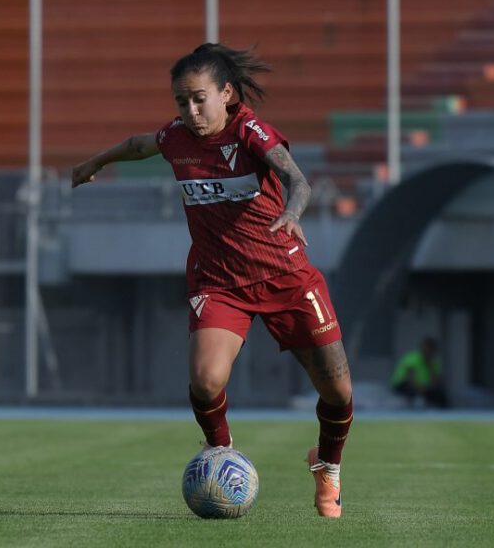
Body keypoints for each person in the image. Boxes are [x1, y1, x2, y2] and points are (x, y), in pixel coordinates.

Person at [71, 43, 353, 519]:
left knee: (339, 394)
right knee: (205, 381)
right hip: (219, 280)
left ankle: (327, 466)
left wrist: (290, 212)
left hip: (285, 275)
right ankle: (220, 456)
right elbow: (142, 143)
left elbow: (298, 180)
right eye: (181, 102)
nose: (191, 110)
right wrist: (96, 161)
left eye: (199, 98)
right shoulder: (178, 137)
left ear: (226, 93)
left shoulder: (249, 131)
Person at [391, 337, 448, 408]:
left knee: (440, 396)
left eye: (430, 350)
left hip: (423, 387)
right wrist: (422, 390)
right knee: (413, 394)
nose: (428, 352)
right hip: (403, 385)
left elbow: (436, 382)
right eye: (426, 348)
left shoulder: (434, 363)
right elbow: (410, 380)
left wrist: (430, 368)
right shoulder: (412, 358)